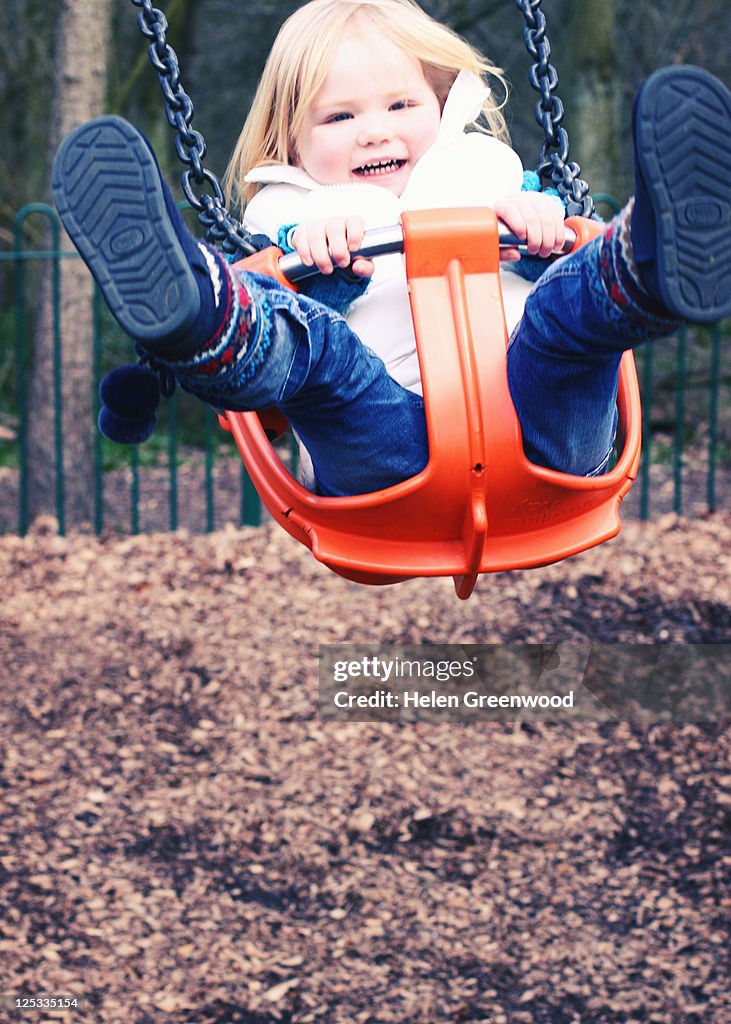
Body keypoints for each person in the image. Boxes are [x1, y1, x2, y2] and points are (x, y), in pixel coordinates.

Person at [52, 0, 731, 498]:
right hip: (386, 458)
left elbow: (551, 262)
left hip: (544, 436)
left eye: (399, 106)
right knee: (316, 347)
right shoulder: (291, 218)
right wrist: (319, 271)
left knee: (566, 314)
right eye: (340, 117)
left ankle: (648, 257)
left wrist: (537, 231)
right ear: (290, 141)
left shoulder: (492, 176)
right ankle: (200, 312)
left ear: (441, 107)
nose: (373, 133)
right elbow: (287, 373)